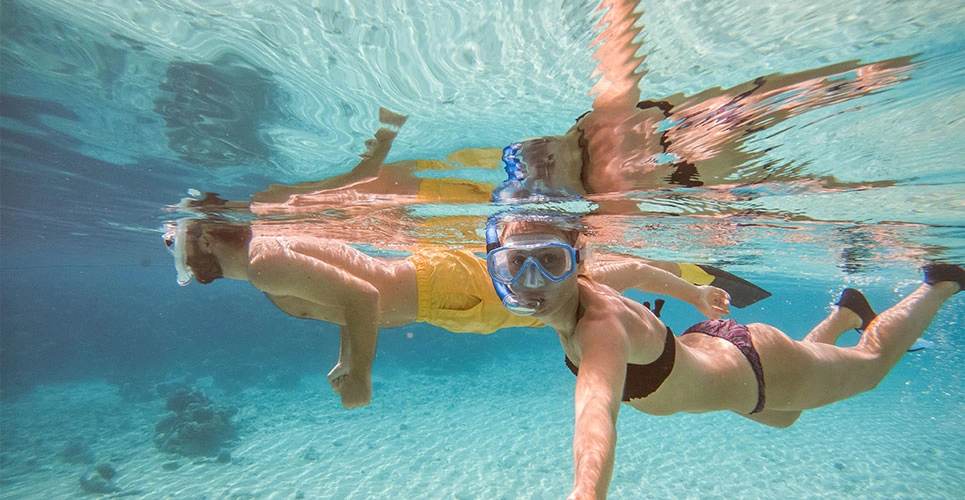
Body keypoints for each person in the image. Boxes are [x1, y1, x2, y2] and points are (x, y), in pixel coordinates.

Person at [484, 214, 963, 500]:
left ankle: (940, 281)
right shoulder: (588, 284)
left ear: (577, 260)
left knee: (873, 365)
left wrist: (586, 492)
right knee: (785, 417)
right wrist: (694, 293)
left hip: (758, 367)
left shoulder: (599, 329)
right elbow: (631, 269)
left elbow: (595, 411)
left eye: (550, 261)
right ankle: (844, 315)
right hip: (719, 353)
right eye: (514, 263)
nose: (533, 281)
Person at [163, 206, 758, 409]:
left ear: (211, 238)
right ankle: (688, 287)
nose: (176, 250)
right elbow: (354, 292)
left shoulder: (265, 263)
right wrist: (350, 355)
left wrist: (359, 371)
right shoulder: (269, 252)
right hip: (437, 290)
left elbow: (363, 297)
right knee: (585, 286)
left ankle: (692, 289)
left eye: (180, 239)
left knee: (587, 286)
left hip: (441, 292)